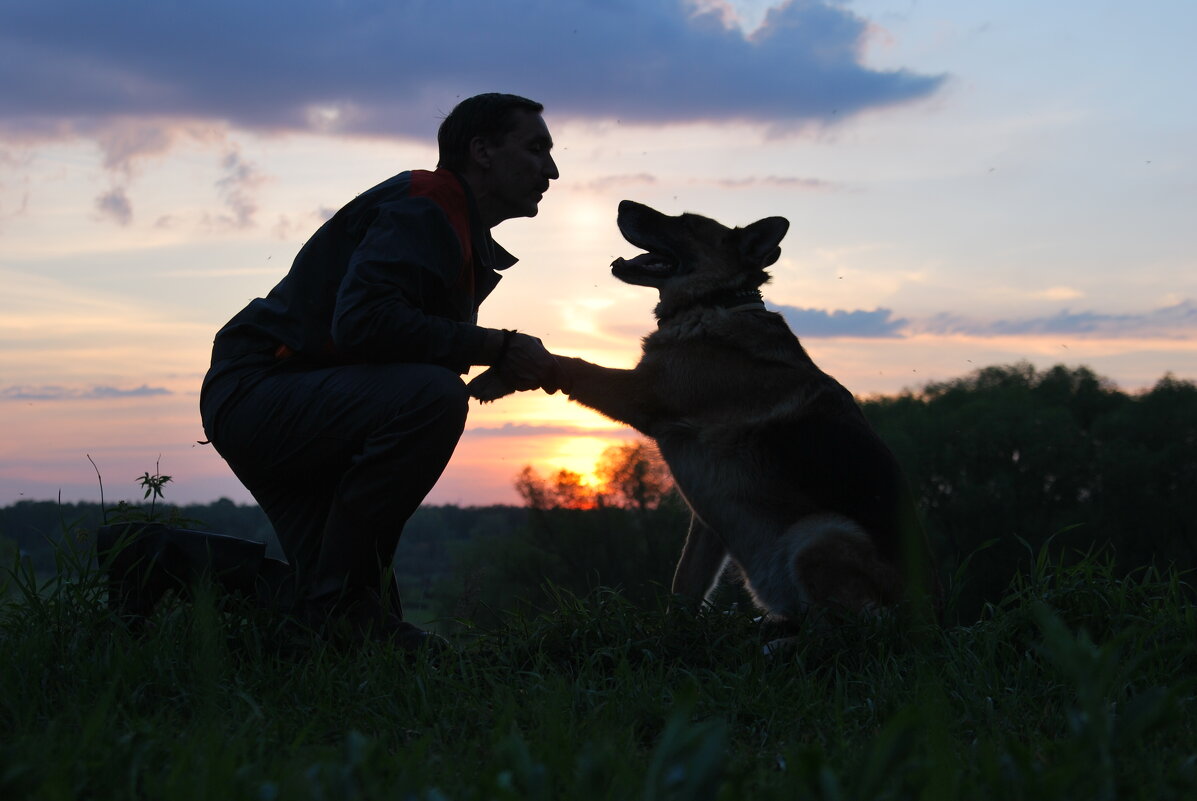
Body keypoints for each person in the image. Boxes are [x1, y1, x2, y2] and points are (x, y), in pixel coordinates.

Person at [191, 92, 563, 649]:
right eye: (537, 149)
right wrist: (498, 346)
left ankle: (164, 568)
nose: (551, 171)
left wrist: (486, 357)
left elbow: (385, 339)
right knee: (432, 398)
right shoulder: (427, 204)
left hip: (288, 397)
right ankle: (337, 607)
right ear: (482, 151)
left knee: (350, 626)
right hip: (262, 390)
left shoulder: (454, 223)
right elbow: (364, 322)